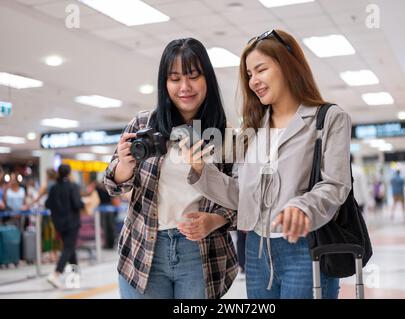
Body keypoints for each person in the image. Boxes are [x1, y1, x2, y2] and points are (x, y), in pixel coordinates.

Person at [183, 29, 352, 299]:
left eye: (260, 70)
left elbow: (336, 184)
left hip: (305, 246)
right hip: (256, 249)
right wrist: (203, 170)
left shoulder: (328, 118)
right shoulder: (253, 130)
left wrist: (301, 207)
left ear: (287, 65)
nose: (254, 81)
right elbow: (240, 194)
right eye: (249, 75)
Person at [103, 38, 238, 299]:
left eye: (193, 76)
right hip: (143, 247)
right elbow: (112, 184)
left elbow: (240, 198)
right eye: (174, 78)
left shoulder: (226, 135)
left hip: (200, 252)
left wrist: (214, 221)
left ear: (207, 79)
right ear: (164, 84)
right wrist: (124, 165)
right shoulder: (143, 123)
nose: (184, 87)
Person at [45, 164, 84, 288]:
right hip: (72, 222)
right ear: (69, 173)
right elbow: (77, 204)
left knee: (70, 248)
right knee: (68, 248)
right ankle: (56, 273)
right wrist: (84, 204)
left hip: (59, 223)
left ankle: (75, 276)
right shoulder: (73, 187)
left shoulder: (53, 188)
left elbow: (47, 204)